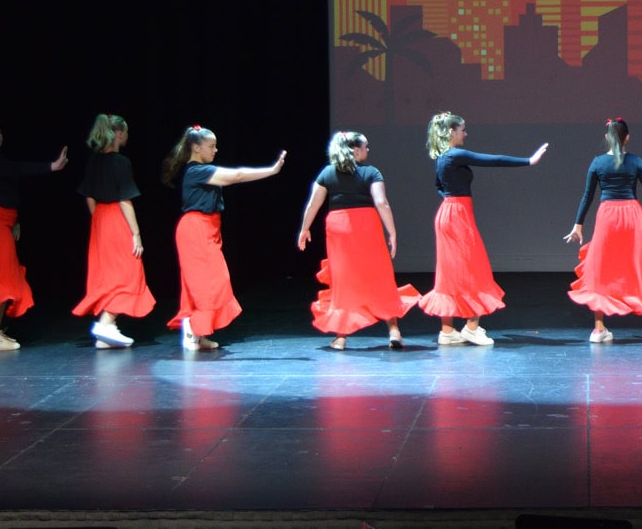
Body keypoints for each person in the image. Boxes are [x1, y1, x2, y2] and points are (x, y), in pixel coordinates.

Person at [418, 112, 547, 347]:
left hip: (449, 213)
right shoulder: (455, 155)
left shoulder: (442, 157)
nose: (465, 134)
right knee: (473, 268)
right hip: (457, 217)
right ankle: (471, 328)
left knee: (450, 273)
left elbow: (439, 186)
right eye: (462, 130)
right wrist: (529, 160)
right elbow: (493, 160)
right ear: (451, 132)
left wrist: (451, 202)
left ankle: (447, 331)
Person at [161, 125, 285, 351]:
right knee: (209, 282)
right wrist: (271, 170)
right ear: (196, 148)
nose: (215, 150)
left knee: (205, 282)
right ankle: (192, 329)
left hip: (207, 228)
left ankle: (198, 333)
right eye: (211, 146)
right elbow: (236, 176)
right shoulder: (197, 171)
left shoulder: (201, 170)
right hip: (196, 229)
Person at [296, 131, 419, 350]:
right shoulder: (371, 172)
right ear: (355, 150)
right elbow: (381, 202)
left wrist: (305, 228)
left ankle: (341, 338)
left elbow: (313, 204)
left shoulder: (327, 173)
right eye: (365, 146)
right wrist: (392, 232)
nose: (367, 150)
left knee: (344, 280)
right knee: (380, 276)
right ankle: (394, 332)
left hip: (338, 226)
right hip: (366, 224)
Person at [562, 118, 642, 342]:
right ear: (627, 138)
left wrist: (578, 225)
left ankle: (599, 329)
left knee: (601, 271)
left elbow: (587, 196)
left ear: (607, 138)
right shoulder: (636, 161)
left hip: (608, 217)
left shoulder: (598, 162)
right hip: (633, 217)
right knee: (639, 269)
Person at [0, 118, 68, 350]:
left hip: (1, 220)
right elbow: (15, 169)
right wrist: (51, 166)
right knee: (3, 277)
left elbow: (6, 189)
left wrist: (15, 220)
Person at [72, 113, 155, 349]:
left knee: (109, 273)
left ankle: (106, 331)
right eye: (126, 132)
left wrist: (98, 218)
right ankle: (106, 323)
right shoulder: (120, 162)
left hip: (100, 218)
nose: (127, 136)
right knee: (128, 272)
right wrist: (136, 234)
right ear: (119, 134)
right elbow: (125, 200)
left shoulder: (94, 160)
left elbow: (88, 195)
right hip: (117, 217)